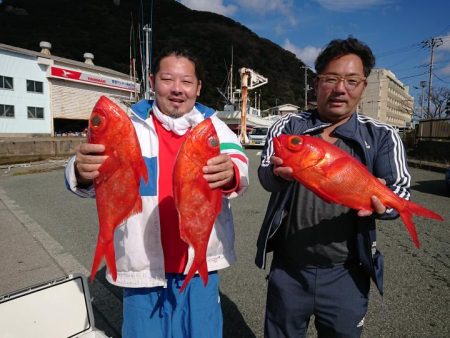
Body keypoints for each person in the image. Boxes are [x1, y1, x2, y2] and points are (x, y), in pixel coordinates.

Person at [65, 49, 249, 338]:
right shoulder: (128, 125)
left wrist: (232, 174)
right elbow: (90, 171)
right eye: (167, 79)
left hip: (199, 262)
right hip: (142, 266)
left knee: (202, 332)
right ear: (152, 82)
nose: (177, 89)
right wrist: (79, 170)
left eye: (187, 81)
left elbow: (239, 163)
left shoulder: (216, 128)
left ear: (198, 87)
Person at [255, 37, 411, 337]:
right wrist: (280, 175)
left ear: (363, 87)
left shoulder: (381, 135)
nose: (341, 88)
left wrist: (384, 206)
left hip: (347, 271)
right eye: (332, 79)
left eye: (352, 80)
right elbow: (265, 176)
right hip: (289, 268)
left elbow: (401, 191)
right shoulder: (288, 127)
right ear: (317, 83)